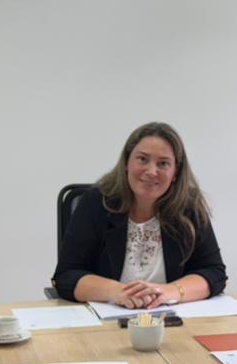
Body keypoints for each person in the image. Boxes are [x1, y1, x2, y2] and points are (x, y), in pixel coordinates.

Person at [53, 122, 227, 309]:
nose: (152, 171)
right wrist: (118, 292)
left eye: (163, 163)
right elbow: (66, 275)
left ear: (175, 172)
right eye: (143, 159)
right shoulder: (95, 203)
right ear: (127, 162)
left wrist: (169, 291)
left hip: (169, 320)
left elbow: (214, 272)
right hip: (106, 323)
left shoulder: (188, 207)